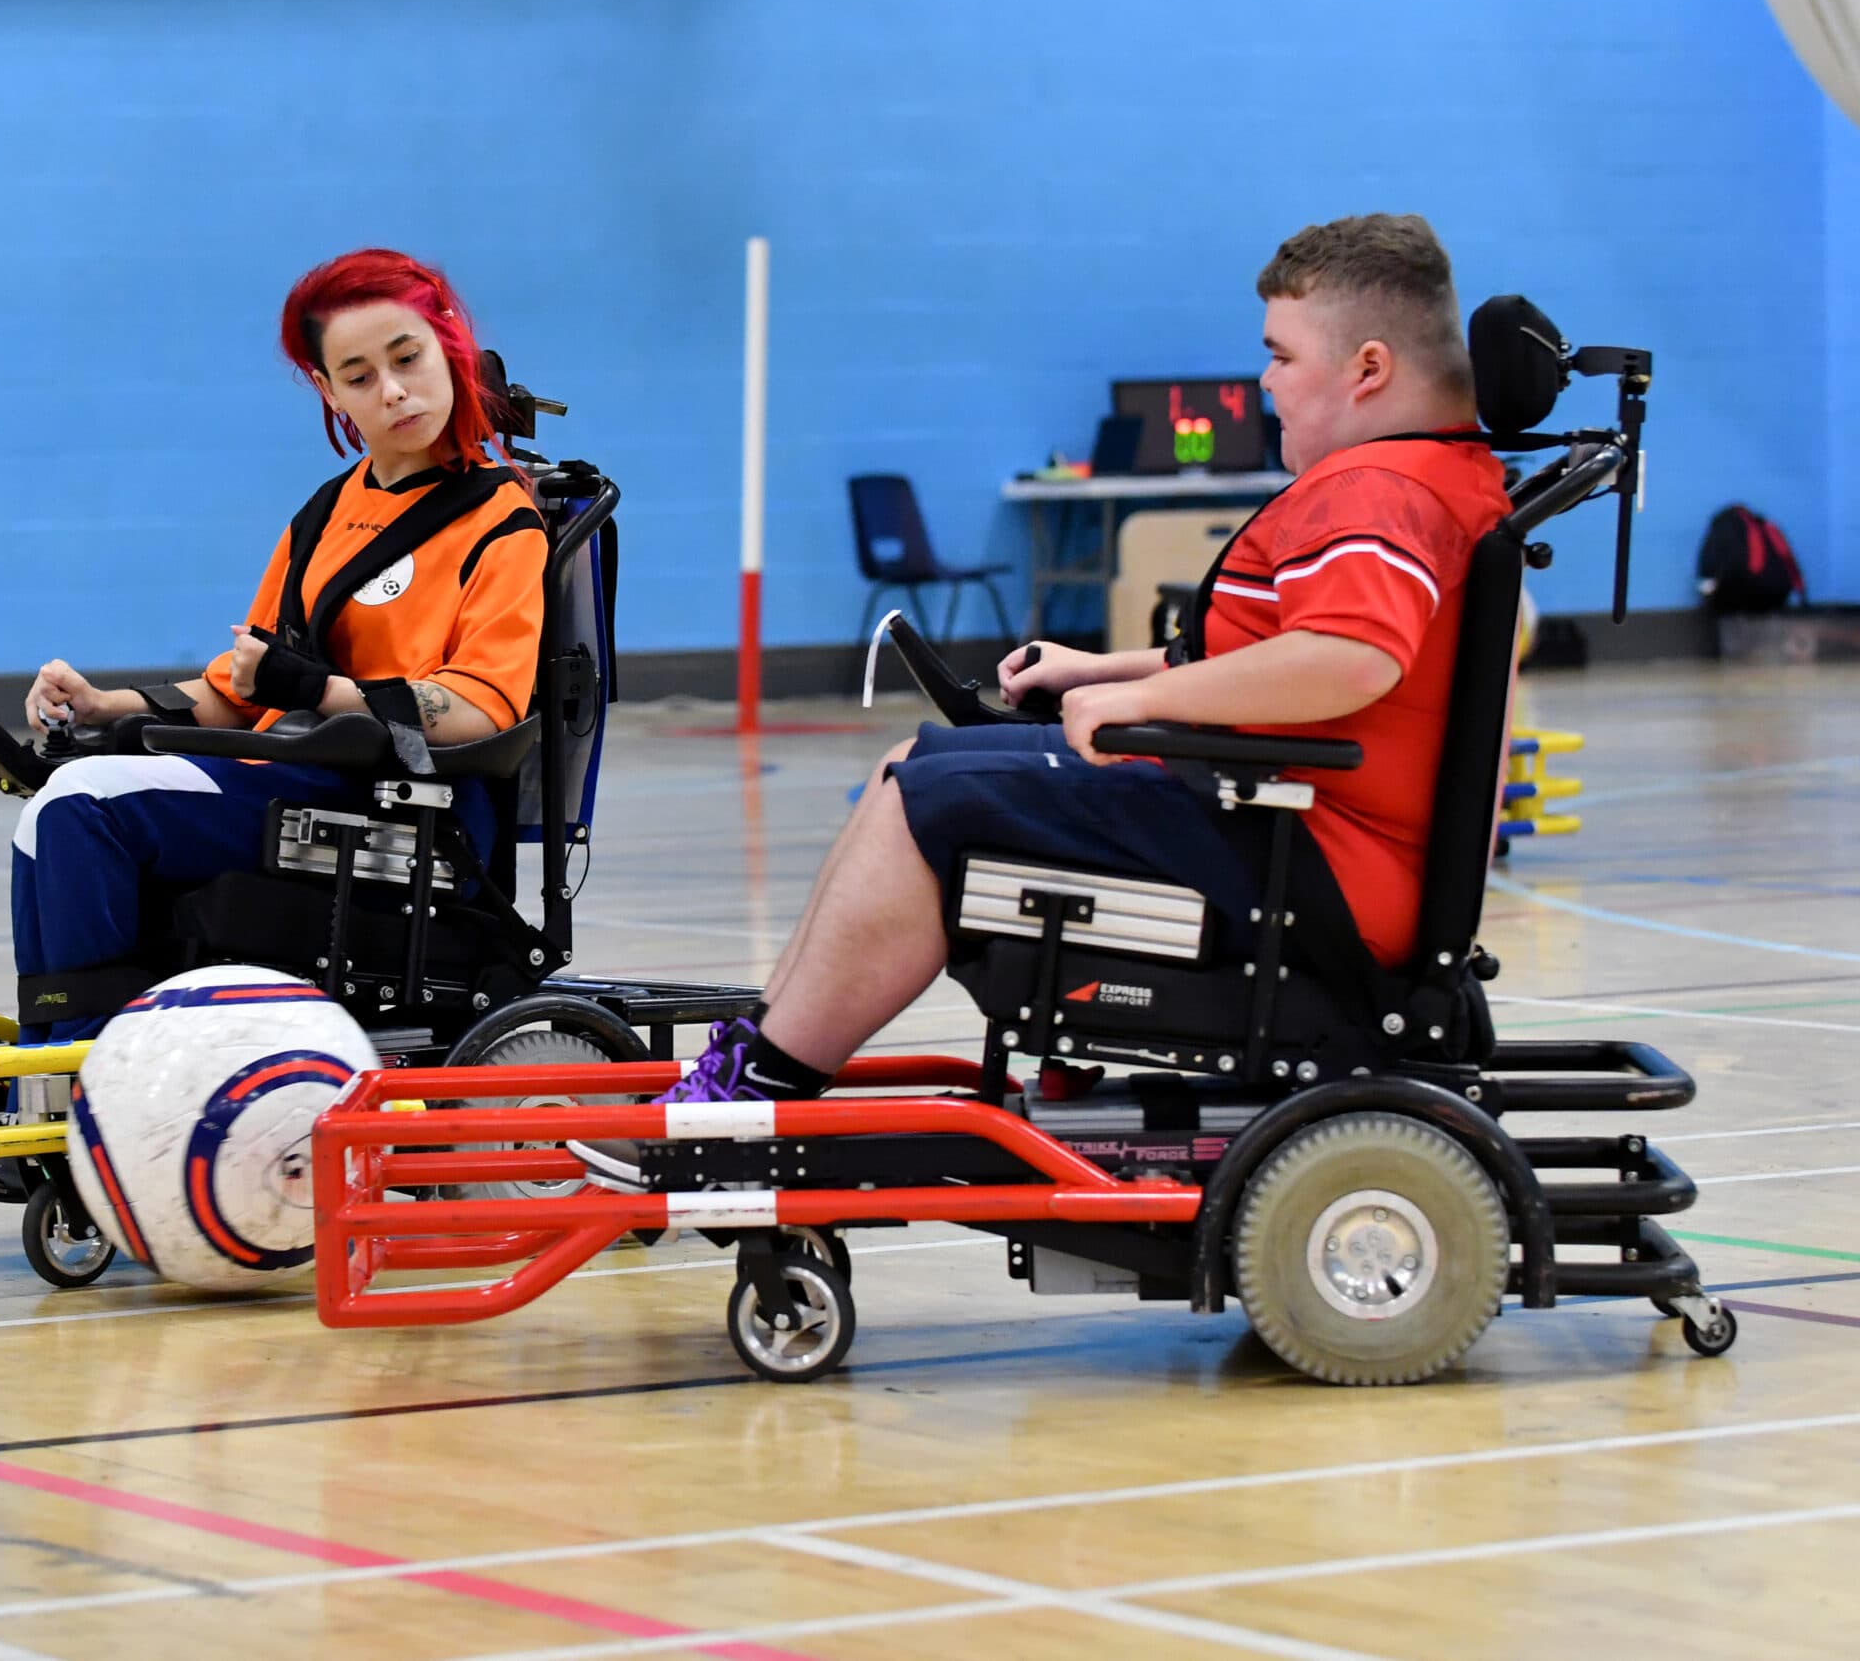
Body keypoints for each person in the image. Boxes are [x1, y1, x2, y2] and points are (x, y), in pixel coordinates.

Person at [577, 213, 1511, 1181]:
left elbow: (1348, 662)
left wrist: (1143, 708)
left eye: (1278, 355)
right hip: (1297, 833)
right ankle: (758, 1065)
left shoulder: (1378, 490)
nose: (1263, 380)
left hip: (1311, 865)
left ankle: (751, 1097)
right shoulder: (1428, 475)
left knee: (930, 802)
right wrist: (1100, 671)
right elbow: (1281, 651)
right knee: (917, 769)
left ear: (1366, 369)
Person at [12, 249, 547, 1042]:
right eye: (359, 375)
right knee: (52, 804)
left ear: (450, 351)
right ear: (330, 392)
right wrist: (105, 705)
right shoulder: (329, 511)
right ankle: (67, 1057)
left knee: (82, 806)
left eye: (408, 359)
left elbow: (476, 708)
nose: (393, 390)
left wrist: (316, 691)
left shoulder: (503, 523)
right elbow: (244, 682)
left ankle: (84, 1062)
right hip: (298, 780)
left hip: (411, 808)